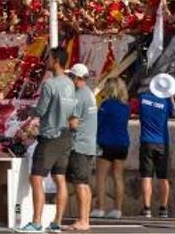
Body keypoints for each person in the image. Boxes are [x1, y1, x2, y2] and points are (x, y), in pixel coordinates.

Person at [16, 47, 76, 233]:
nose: (45, 60)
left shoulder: (50, 84)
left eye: (48, 57)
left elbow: (41, 111)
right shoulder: (70, 83)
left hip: (50, 136)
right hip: (66, 136)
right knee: (60, 179)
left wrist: (27, 112)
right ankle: (56, 222)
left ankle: (36, 222)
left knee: (36, 178)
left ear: (56, 59)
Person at [138, 73, 175, 218]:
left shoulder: (143, 99)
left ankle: (147, 208)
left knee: (146, 176)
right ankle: (163, 209)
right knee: (163, 177)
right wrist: (171, 96)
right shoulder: (167, 102)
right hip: (162, 142)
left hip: (146, 141)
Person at [91, 78, 130, 219]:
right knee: (118, 177)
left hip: (106, 143)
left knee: (101, 177)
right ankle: (117, 210)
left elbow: (98, 123)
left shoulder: (106, 105)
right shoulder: (125, 106)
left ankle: (100, 208)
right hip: (122, 144)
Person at [65, 64, 97, 232]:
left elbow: (73, 123)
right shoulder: (89, 93)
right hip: (88, 143)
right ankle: (85, 218)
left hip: (79, 144)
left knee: (79, 183)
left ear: (76, 78)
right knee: (83, 182)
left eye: (71, 77)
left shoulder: (78, 95)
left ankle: (83, 220)